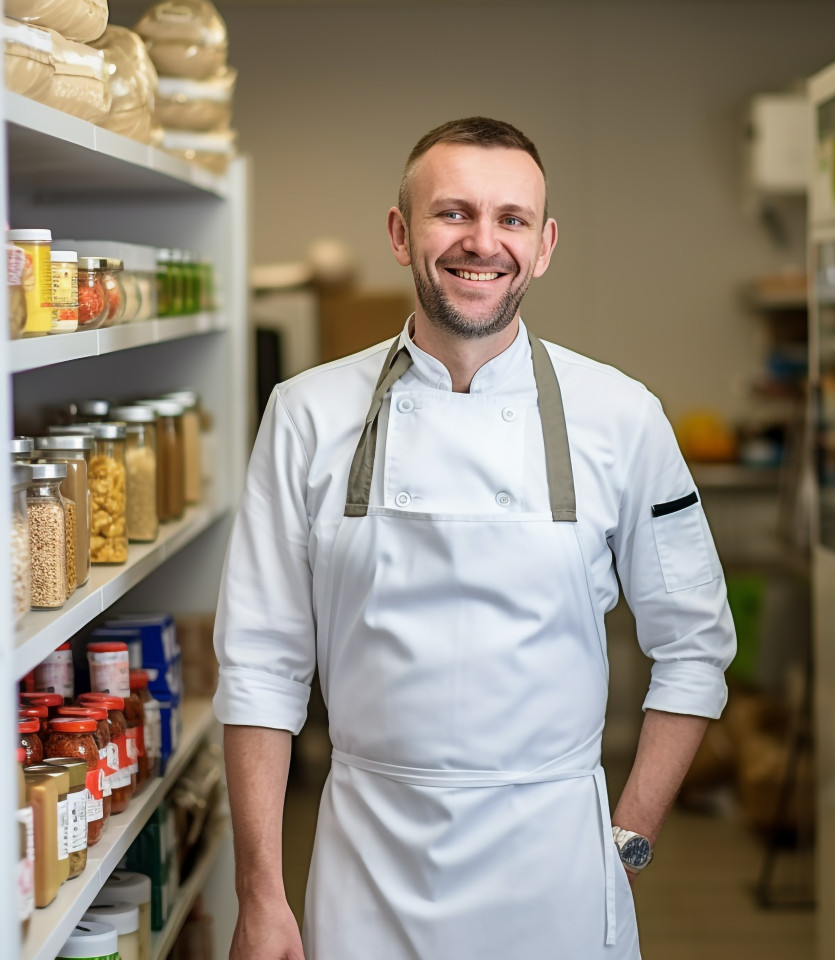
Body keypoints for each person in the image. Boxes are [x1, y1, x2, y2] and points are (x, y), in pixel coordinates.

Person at [213, 116, 736, 960]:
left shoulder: (622, 416)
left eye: (511, 219)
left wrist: (626, 845)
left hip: (558, 869)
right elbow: (261, 667)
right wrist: (260, 894)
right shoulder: (305, 415)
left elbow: (696, 647)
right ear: (399, 232)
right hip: (367, 863)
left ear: (544, 244)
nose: (481, 243)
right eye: (451, 213)